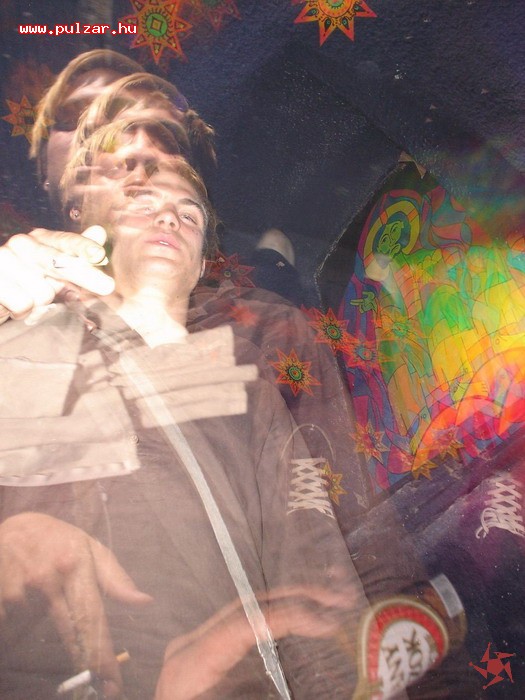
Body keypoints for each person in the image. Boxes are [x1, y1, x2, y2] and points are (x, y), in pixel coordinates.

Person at [0, 126, 371, 699]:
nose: (169, 218)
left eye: (189, 214)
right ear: (98, 238)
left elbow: (311, 550)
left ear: (200, 269)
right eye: (140, 203)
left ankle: (272, 261)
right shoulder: (26, 339)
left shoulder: (244, 380)